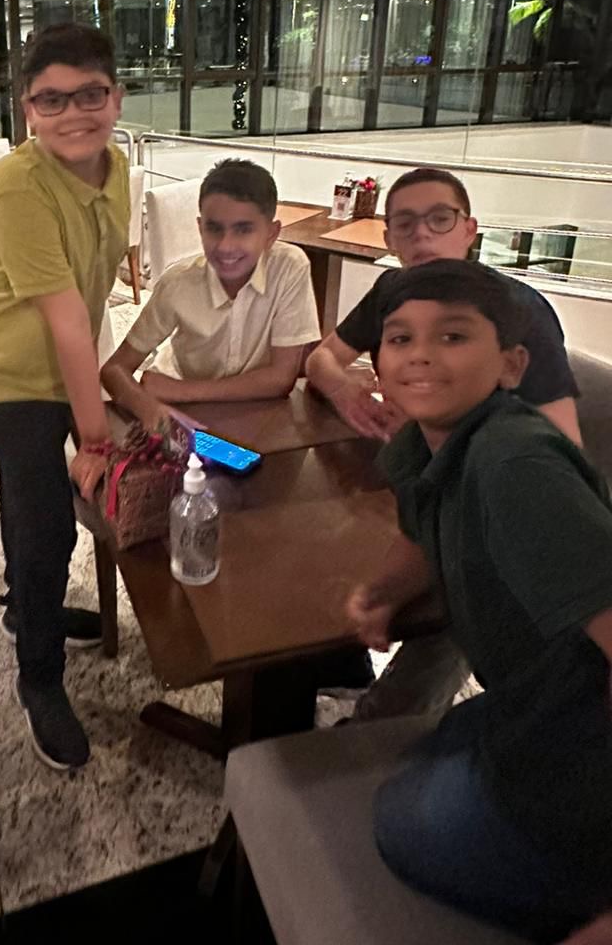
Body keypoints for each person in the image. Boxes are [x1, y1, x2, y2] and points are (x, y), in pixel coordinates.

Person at [347, 259, 612, 942]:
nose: (421, 354)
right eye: (400, 338)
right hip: (536, 700)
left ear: (511, 365)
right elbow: (421, 532)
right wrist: (382, 592)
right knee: (426, 756)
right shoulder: (423, 444)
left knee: (401, 823)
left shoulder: (514, 464)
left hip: (589, 731)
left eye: (454, 336)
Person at [306, 166, 581, 721]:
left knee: (455, 587)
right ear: (388, 238)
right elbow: (321, 359)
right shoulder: (392, 292)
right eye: (406, 224)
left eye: (440, 220)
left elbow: (560, 449)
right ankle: (333, 668)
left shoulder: (518, 314)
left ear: (470, 231)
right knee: (317, 541)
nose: (422, 236)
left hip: (497, 506)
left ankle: (382, 731)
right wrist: (343, 388)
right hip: (412, 480)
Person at [0, 23, 129, 773]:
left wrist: (99, 400)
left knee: (31, 507)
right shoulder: (18, 183)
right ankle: (39, 675)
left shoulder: (117, 166)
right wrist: (95, 438)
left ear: (116, 97)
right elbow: (63, 319)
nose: (72, 113)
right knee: (47, 522)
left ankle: (26, 607)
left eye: (89, 94)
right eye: (50, 99)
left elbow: (95, 291)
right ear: (27, 108)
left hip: (69, 365)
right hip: (9, 373)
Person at [101, 157, 320, 428]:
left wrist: (182, 390)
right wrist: (147, 407)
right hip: (184, 414)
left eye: (243, 230)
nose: (226, 246)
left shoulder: (289, 268)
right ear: (200, 227)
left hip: (250, 413)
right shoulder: (178, 284)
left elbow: (281, 379)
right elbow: (114, 369)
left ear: (271, 234)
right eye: (214, 229)